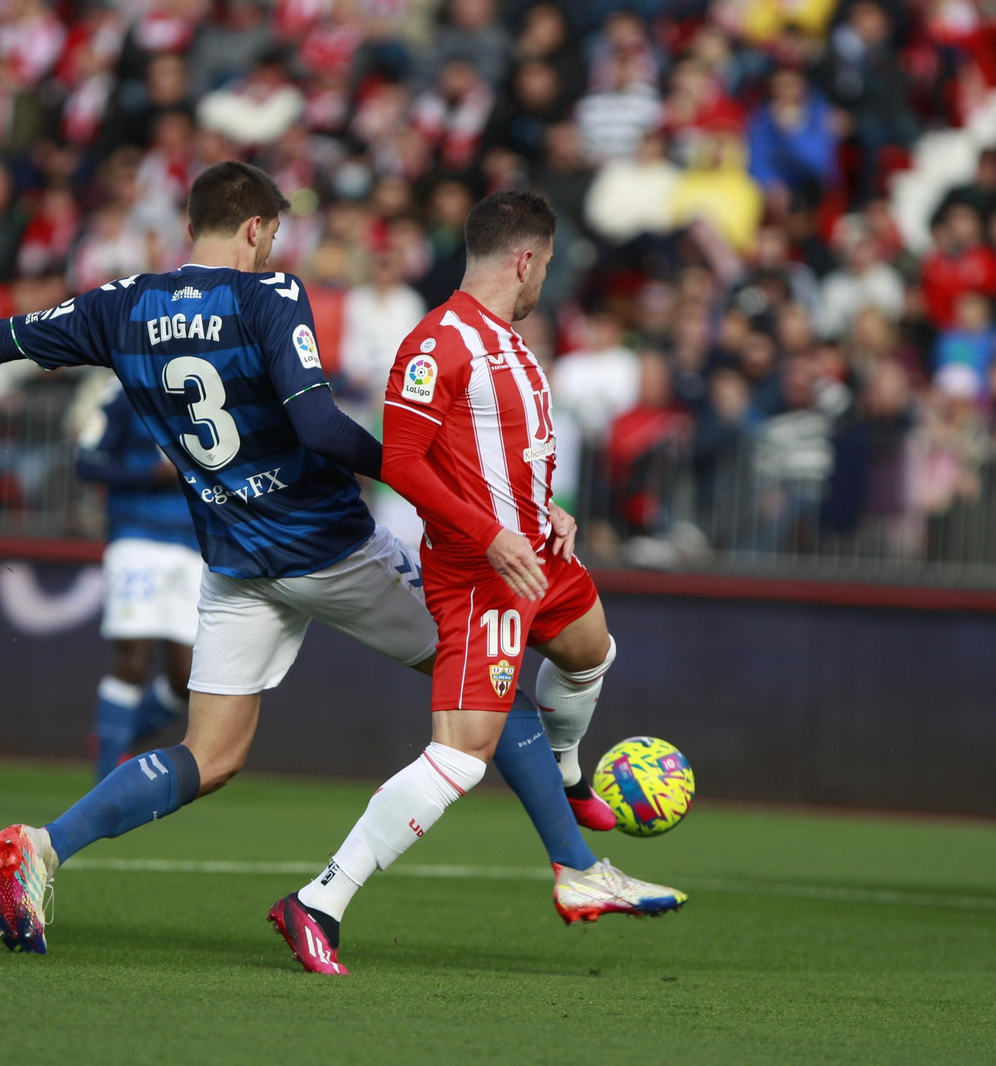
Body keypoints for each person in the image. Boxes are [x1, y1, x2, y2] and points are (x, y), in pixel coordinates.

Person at [0, 161, 673, 958]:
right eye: (272, 233)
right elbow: (319, 426)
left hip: (235, 561)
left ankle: (45, 844)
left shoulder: (118, 308)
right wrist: (442, 485)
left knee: (211, 754)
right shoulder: (267, 296)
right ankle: (576, 862)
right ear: (256, 229)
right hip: (331, 548)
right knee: (493, 685)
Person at [272, 191, 686, 976]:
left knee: (592, 651)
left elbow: (512, 458)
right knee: (462, 758)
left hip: (538, 552)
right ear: (525, 260)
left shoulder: (514, 343)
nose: (546, 284)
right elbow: (402, 462)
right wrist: (491, 534)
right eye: (547, 267)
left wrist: (550, 514)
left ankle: (566, 779)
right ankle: (318, 898)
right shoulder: (437, 343)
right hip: (480, 572)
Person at [75, 378, 198, 781]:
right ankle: (105, 780)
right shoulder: (124, 388)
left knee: (186, 678)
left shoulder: (210, 381)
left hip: (194, 546)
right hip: (137, 536)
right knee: (133, 656)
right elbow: (87, 462)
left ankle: (115, 738)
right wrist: (150, 474)